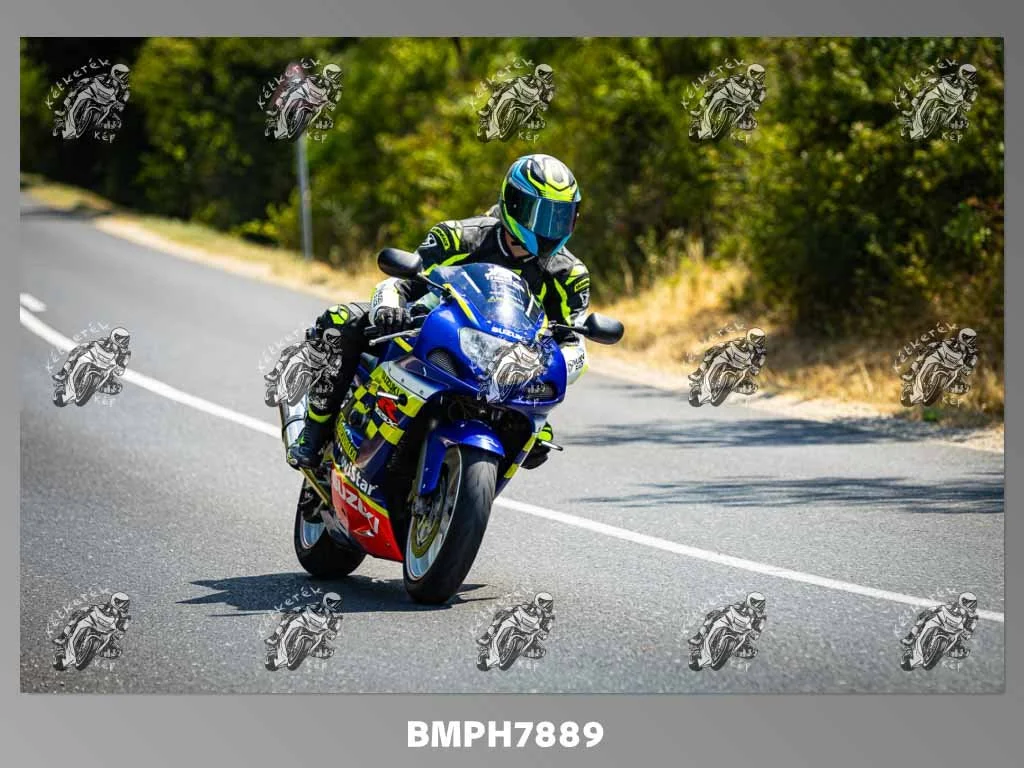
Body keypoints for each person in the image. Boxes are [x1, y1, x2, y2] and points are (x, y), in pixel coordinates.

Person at [285, 153, 590, 472]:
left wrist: (549, 368)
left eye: (560, 217)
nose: (550, 228)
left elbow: (574, 342)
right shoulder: (459, 236)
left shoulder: (569, 275)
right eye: (541, 215)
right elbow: (400, 283)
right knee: (338, 322)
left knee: (536, 440)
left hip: (507, 370)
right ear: (513, 203)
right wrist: (389, 308)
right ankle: (314, 434)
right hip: (436, 335)